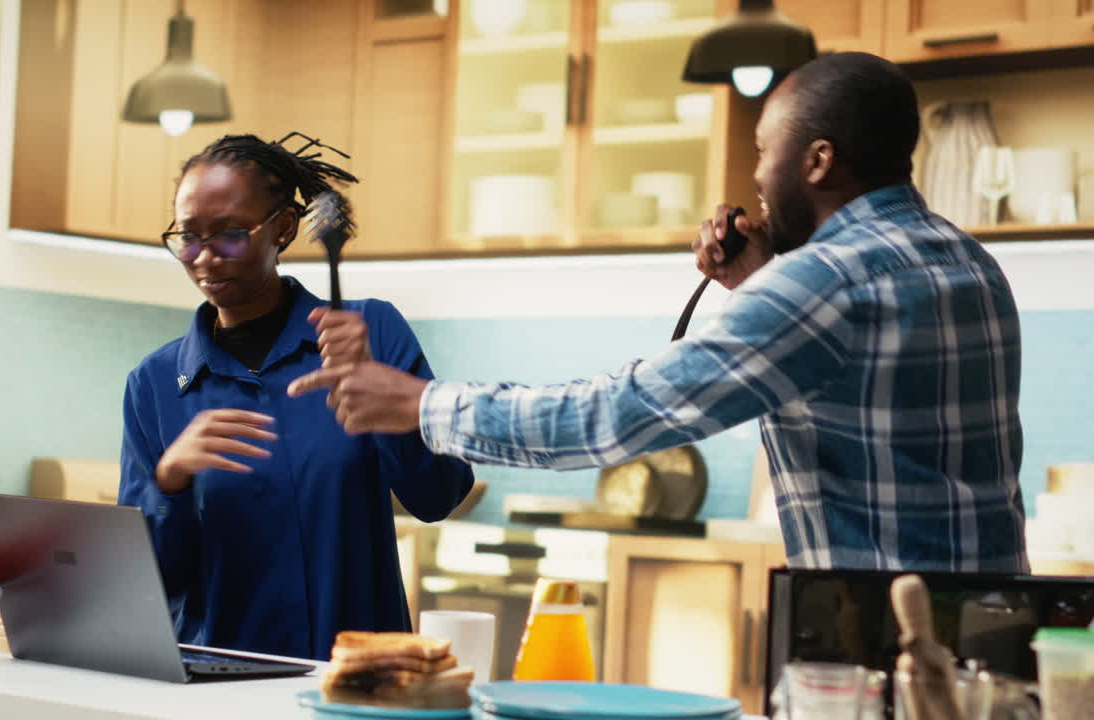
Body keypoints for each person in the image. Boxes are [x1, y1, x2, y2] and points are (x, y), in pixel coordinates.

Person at [289, 53, 1028, 574]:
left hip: (881, 644)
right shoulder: (966, 262)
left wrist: (425, 405)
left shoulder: (823, 282)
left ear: (819, 161)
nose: (757, 178)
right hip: (991, 624)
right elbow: (866, 377)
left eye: (767, 150)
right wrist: (762, 281)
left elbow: (619, 415)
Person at [118, 133, 474, 661]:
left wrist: (383, 393)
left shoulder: (372, 330)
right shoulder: (153, 383)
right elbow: (143, 588)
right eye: (188, 238)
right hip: (217, 687)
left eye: (230, 236)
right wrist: (168, 481)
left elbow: (440, 496)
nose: (206, 258)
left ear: (283, 228)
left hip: (355, 680)